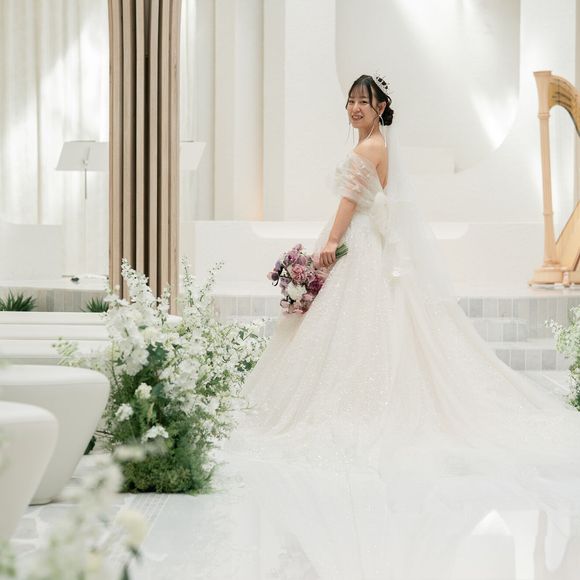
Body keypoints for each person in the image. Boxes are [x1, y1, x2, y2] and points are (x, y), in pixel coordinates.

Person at [218, 74, 580, 578]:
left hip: (358, 243)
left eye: (362, 102)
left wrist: (329, 244)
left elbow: (348, 203)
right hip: (371, 244)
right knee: (366, 328)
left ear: (381, 105)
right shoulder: (379, 145)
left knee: (355, 328)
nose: (354, 108)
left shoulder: (370, 147)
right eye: (349, 101)